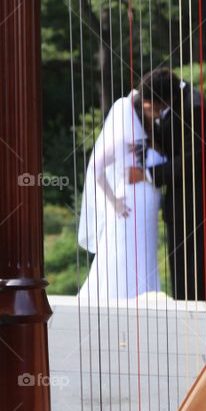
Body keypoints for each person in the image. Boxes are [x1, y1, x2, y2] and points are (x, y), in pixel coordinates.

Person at [128, 69, 206, 302]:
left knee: (192, 270)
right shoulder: (173, 96)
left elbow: (194, 158)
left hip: (195, 198)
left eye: (152, 106)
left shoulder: (196, 107)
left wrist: (147, 174)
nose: (150, 111)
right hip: (178, 198)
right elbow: (169, 134)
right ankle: (185, 310)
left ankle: (195, 319)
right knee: (178, 266)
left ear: (165, 100)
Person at [77, 91, 164, 303]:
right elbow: (95, 169)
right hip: (129, 205)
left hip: (149, 205)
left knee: (146, 250)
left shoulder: (152, 137)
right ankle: (120, 298)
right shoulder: (121, 140)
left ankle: (145, 296)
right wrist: (114, 202)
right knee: (124, 251)